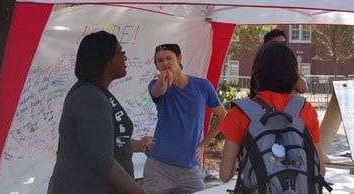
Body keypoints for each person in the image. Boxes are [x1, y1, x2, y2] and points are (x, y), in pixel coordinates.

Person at [47, 31, 149, 194]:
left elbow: (104, 141)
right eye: (121, 52)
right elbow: (103, 161)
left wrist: (140, 145)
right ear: (106, 60)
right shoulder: (89, 97)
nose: (125, 57)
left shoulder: (95, 93)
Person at [219, 41, 325, 184]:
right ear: (293, 75)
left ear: (257, 73)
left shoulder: (240, 113)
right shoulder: (305, 110)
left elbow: (225, 174)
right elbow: (320, 170)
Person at [142, 43, 227, 193]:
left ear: (179, 58)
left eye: (169, 58)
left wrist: (204, 144)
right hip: (158, 166)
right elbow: (157, 92)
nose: (165, 63)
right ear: (156, 66)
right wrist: (163, 82)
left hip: (190, 167)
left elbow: (222, 114)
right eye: (160, 60)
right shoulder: (156, 84)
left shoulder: (203, 85)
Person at [249, 28, 308, 98]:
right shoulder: (261, 66)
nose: (281, 48)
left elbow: (303, 88)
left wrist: (289, 69)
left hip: (287, 107)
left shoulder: (289, 65)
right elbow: (254, 91)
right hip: (264, 106)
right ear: (266, 47)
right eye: (276, 44)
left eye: (283, 44)